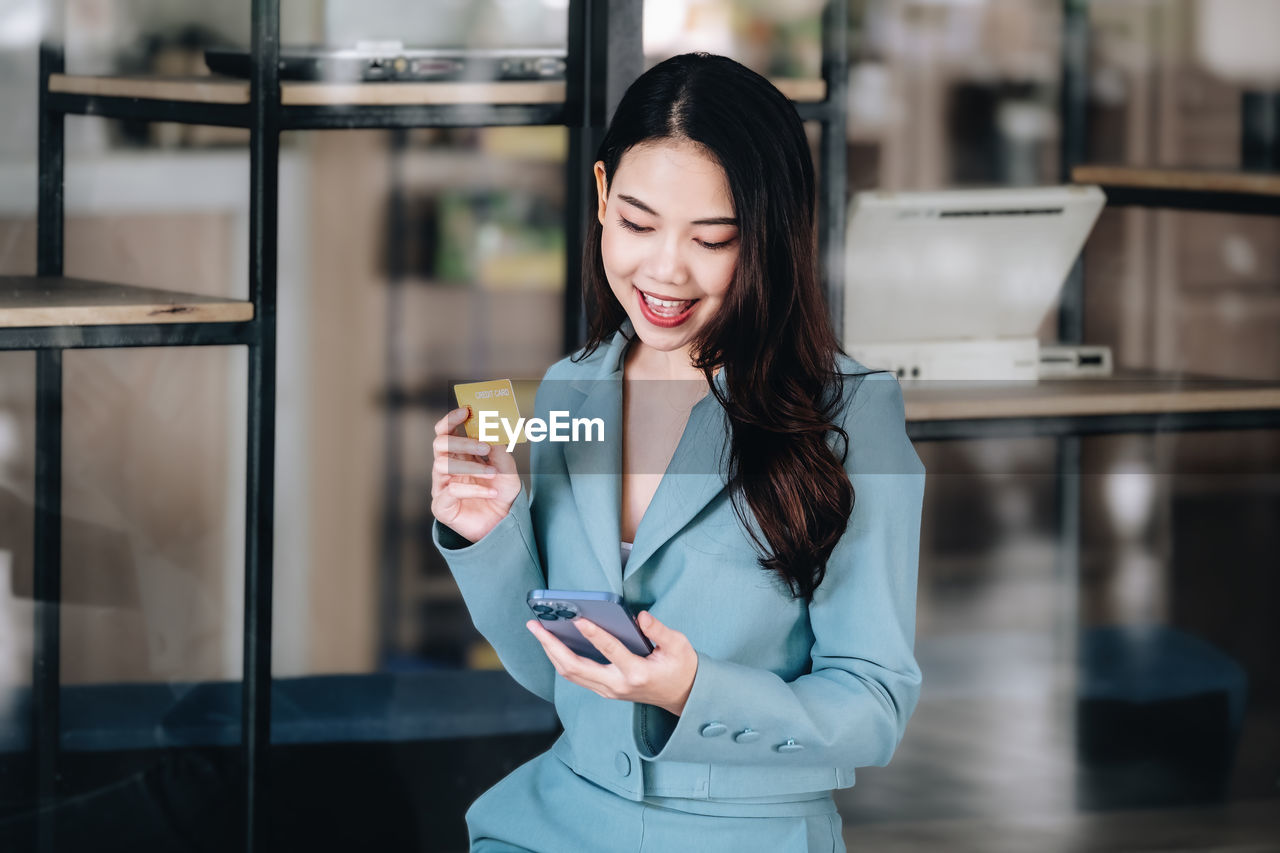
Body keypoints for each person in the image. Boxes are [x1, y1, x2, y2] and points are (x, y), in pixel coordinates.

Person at [430, 52, 924, 853]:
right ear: (598, 196)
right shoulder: (570, 390)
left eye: (713, 238)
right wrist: (491, 536)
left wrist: (693, 690)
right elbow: (560, 672)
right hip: (551, 822)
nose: (664, 269)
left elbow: (873, 708)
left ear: (769, 235)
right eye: (635, 223)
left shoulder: (848, 416)